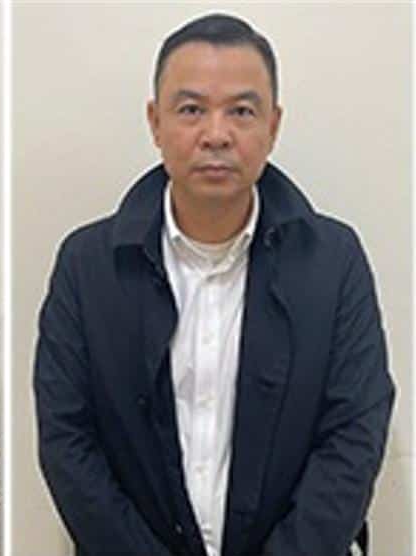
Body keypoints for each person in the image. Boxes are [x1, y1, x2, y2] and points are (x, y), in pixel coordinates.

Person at [34, 13, 393, 556]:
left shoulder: (333, 261)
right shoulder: (87, 267)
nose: (216, 134)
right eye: (191, 110)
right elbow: (68, 441)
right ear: (155, 122)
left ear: (273, 125)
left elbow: (355, 435)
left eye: (242, 111)